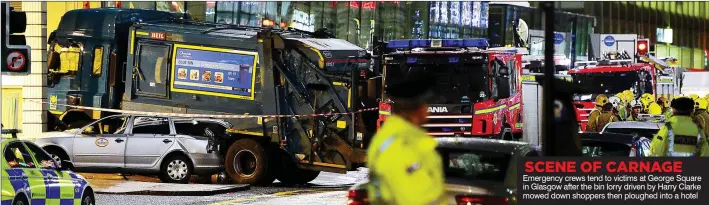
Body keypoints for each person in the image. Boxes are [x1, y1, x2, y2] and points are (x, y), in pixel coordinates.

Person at [366, 74, 445, 205]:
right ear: (418, 109)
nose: (428, 112)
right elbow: (417, 197)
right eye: (426, 106)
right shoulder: (404, 143)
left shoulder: (388, 137)